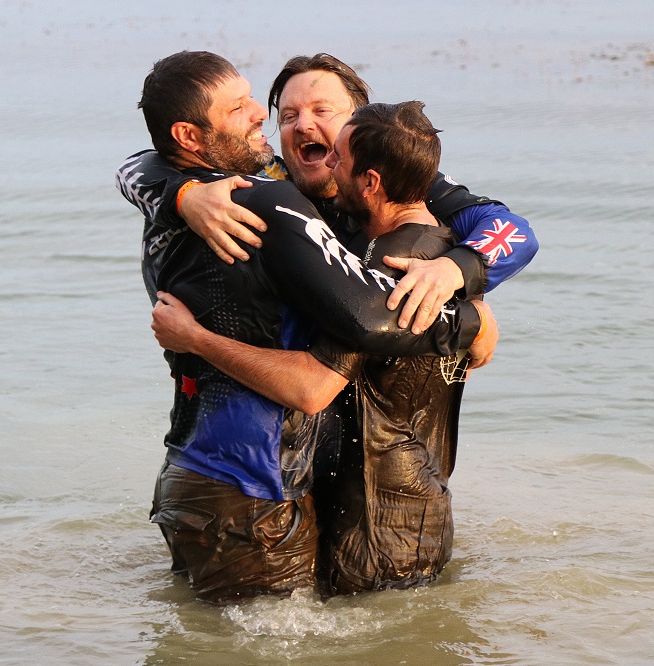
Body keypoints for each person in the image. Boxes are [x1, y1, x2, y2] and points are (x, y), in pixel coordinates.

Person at [126, 51, 493, 604]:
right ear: (189, 135)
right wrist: (466, 315)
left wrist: (461, 280)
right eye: (254, 108)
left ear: (365, 160)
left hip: (201, 481)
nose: (263, 116)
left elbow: (139, 167)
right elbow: (334, 362)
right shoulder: (262, 202)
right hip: (256, 492)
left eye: (325, 114)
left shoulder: (184, 205)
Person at [117, 53, 538, 336]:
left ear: (362, 123)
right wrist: (185, 195)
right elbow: (137, 165)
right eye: (289, 115)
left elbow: (514, 231)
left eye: (322, 111)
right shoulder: (264, 181)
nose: (302, 126)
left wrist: (456, 270)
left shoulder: (403, 184)